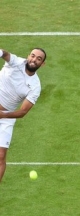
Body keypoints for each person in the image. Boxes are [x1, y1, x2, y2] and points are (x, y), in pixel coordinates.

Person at [0, 48, 46, 182]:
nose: (34, 59)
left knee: (1, 156)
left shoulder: (35, 86)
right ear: (28, 56)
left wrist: (2, 115)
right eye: (33, 56)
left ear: (42, 64)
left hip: (6, 117)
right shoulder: (17, 62)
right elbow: (6, 54)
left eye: (39, 58)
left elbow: (22, 112)